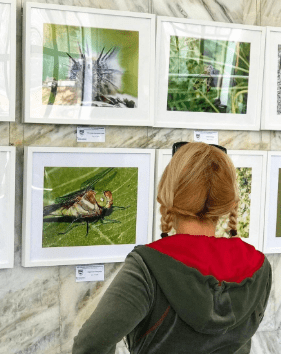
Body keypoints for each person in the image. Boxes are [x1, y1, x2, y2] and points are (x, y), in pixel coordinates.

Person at [72, 142, 272, 354]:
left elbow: (90, 345)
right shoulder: (259, 266)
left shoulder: (149, 265)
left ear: (169, 192)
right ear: (227, 200)